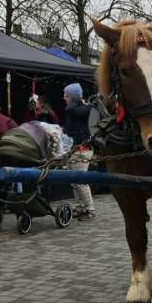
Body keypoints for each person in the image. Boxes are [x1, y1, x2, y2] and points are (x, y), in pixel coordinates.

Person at [63, 83, 95, 220]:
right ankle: (80, 206)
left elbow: (71, 109)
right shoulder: (81, 107)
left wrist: (77, 101)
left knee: (81, 181)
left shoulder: (82, 108)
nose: (64, 98)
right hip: (74, 149)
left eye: (66, 95)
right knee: (75, 181)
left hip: (82, 150)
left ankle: (89, 209)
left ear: (73, 97)